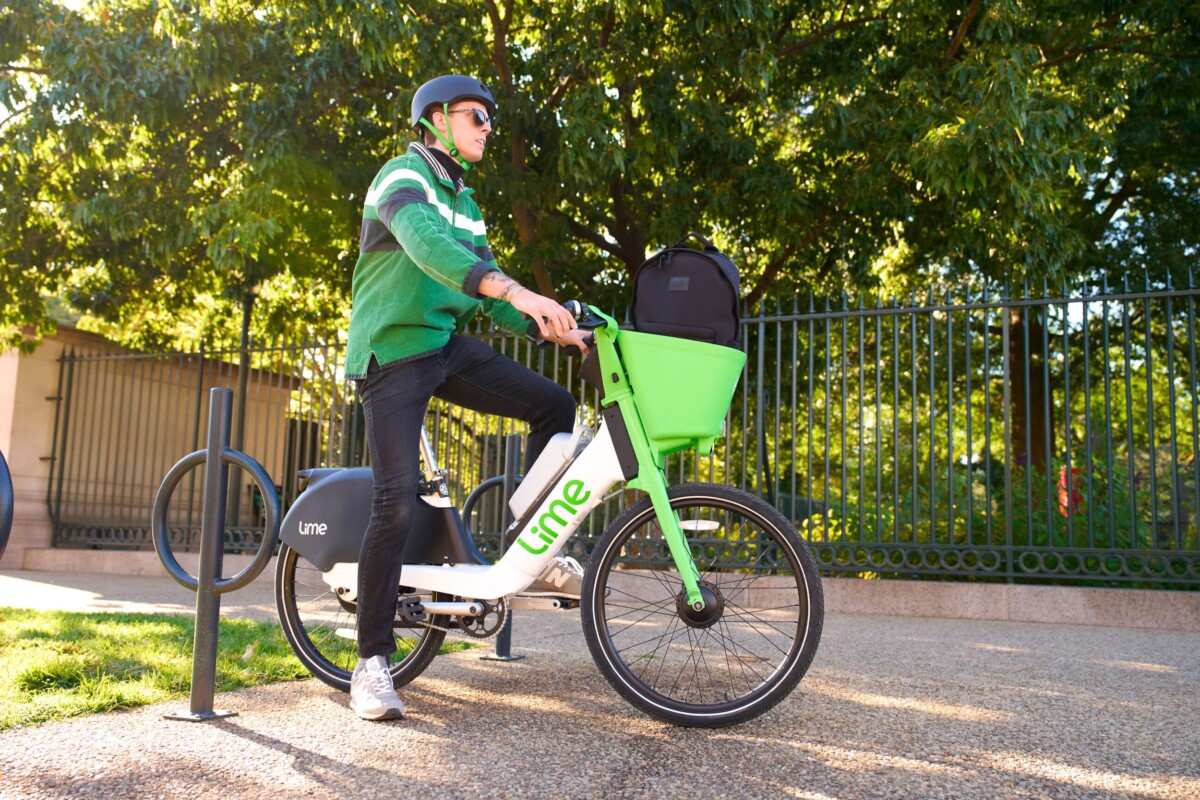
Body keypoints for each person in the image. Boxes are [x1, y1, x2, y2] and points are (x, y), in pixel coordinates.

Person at [343, 75, 591, 721]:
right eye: (476, 115)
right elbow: (428, 248)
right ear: (436, 119)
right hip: (393, 351)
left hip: (444, 344)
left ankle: (533, 549)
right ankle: (371, 663)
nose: (487, 127)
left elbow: (488, 283)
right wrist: (513, 293)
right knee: (397, 500)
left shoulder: (467, 202)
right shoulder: (401, 176)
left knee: (554, 407)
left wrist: (559, 324)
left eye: (489, 118)